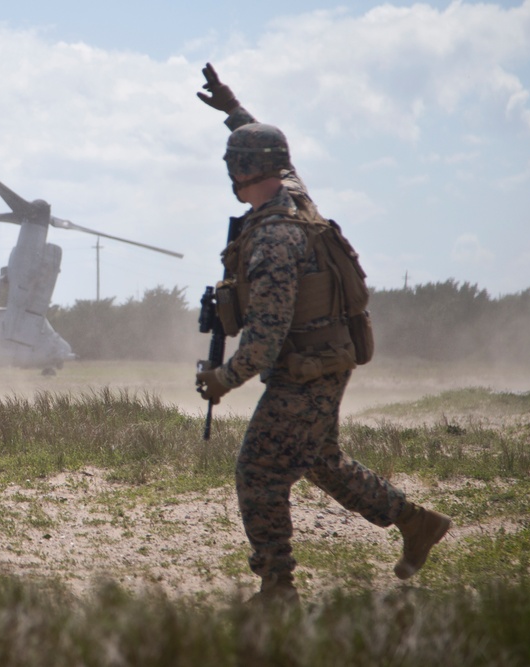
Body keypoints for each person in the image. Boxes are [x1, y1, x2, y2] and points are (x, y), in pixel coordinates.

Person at [193, 62, 451, 605]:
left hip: (303, 371)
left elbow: (264, 339)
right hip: (327, 359)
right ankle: (416, 522)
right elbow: (278, 159)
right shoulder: (296, 200)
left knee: (259, 472)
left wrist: (222, 378)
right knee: (319, 460)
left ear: (238, 172)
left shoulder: (272, 241)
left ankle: (277, 588)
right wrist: (235, 111)